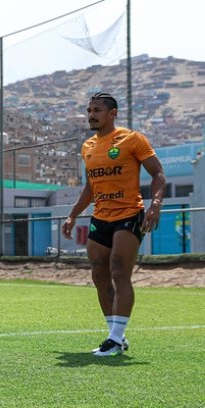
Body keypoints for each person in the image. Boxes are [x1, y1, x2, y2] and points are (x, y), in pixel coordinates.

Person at [61, 92, 165, 357]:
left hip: (129, 214)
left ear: (112, 113)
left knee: (119, 270)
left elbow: (158, 174)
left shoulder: (132, 139)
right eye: (89, 110)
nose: (91, 115)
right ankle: (116, 335)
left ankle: (115, 339)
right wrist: (73, 215)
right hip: (101, 217)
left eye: (97, 110)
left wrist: (154, 205)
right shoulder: (88, 147)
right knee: (98, 273)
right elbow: (90, 187)